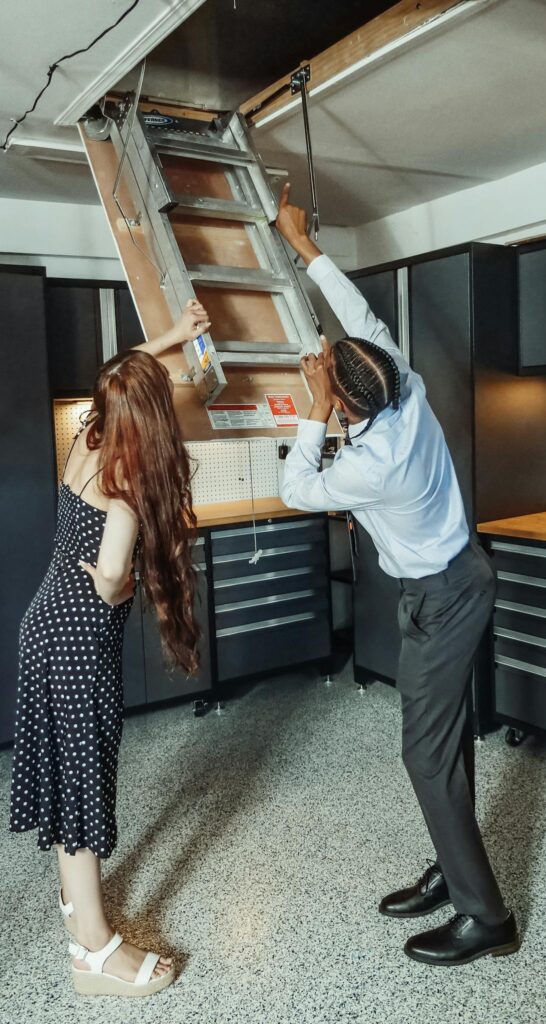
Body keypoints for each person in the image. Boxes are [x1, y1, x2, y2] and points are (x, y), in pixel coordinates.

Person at [276, 183, 519, 967]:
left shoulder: (370, 465)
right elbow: (365, 322)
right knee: (442, 744)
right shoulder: (403, 390)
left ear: (349, 407)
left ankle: (486, 918)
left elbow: (295, 490)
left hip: (447, 594)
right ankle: (455, 872)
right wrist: (303, 245)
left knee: (424, 754)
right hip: (444, 585)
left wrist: (310, 403)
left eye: (332, 391)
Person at [9, 300, 210, 997]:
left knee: (69, 775)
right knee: (86, 782)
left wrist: (173, 337)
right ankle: (93, 952)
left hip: (41, 625)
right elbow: (115, 578)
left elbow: (126, 370)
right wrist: (119, 588)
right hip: (79, 638)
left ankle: (76, 905)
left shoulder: (89, 435)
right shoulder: (127, 480)